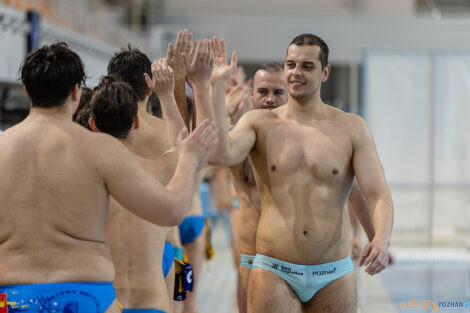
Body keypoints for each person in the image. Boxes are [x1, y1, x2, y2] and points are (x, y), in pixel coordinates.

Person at [0, 42, 217, 313]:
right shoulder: (99, 148)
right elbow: (172, 210)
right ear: (76, 92)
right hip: (85, 295)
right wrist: (189, 158)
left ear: (27, 91)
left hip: (12, 298)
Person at [205, 34, 393, 312]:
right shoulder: (258, 123)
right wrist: (215, 88)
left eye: (307, 66)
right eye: (291, 64)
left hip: (333, 272)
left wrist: (380, 239)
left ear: (325, 72)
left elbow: (378, 193)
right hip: (274, 269)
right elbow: (220, 154)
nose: (296, 72)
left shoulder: (352, 128)